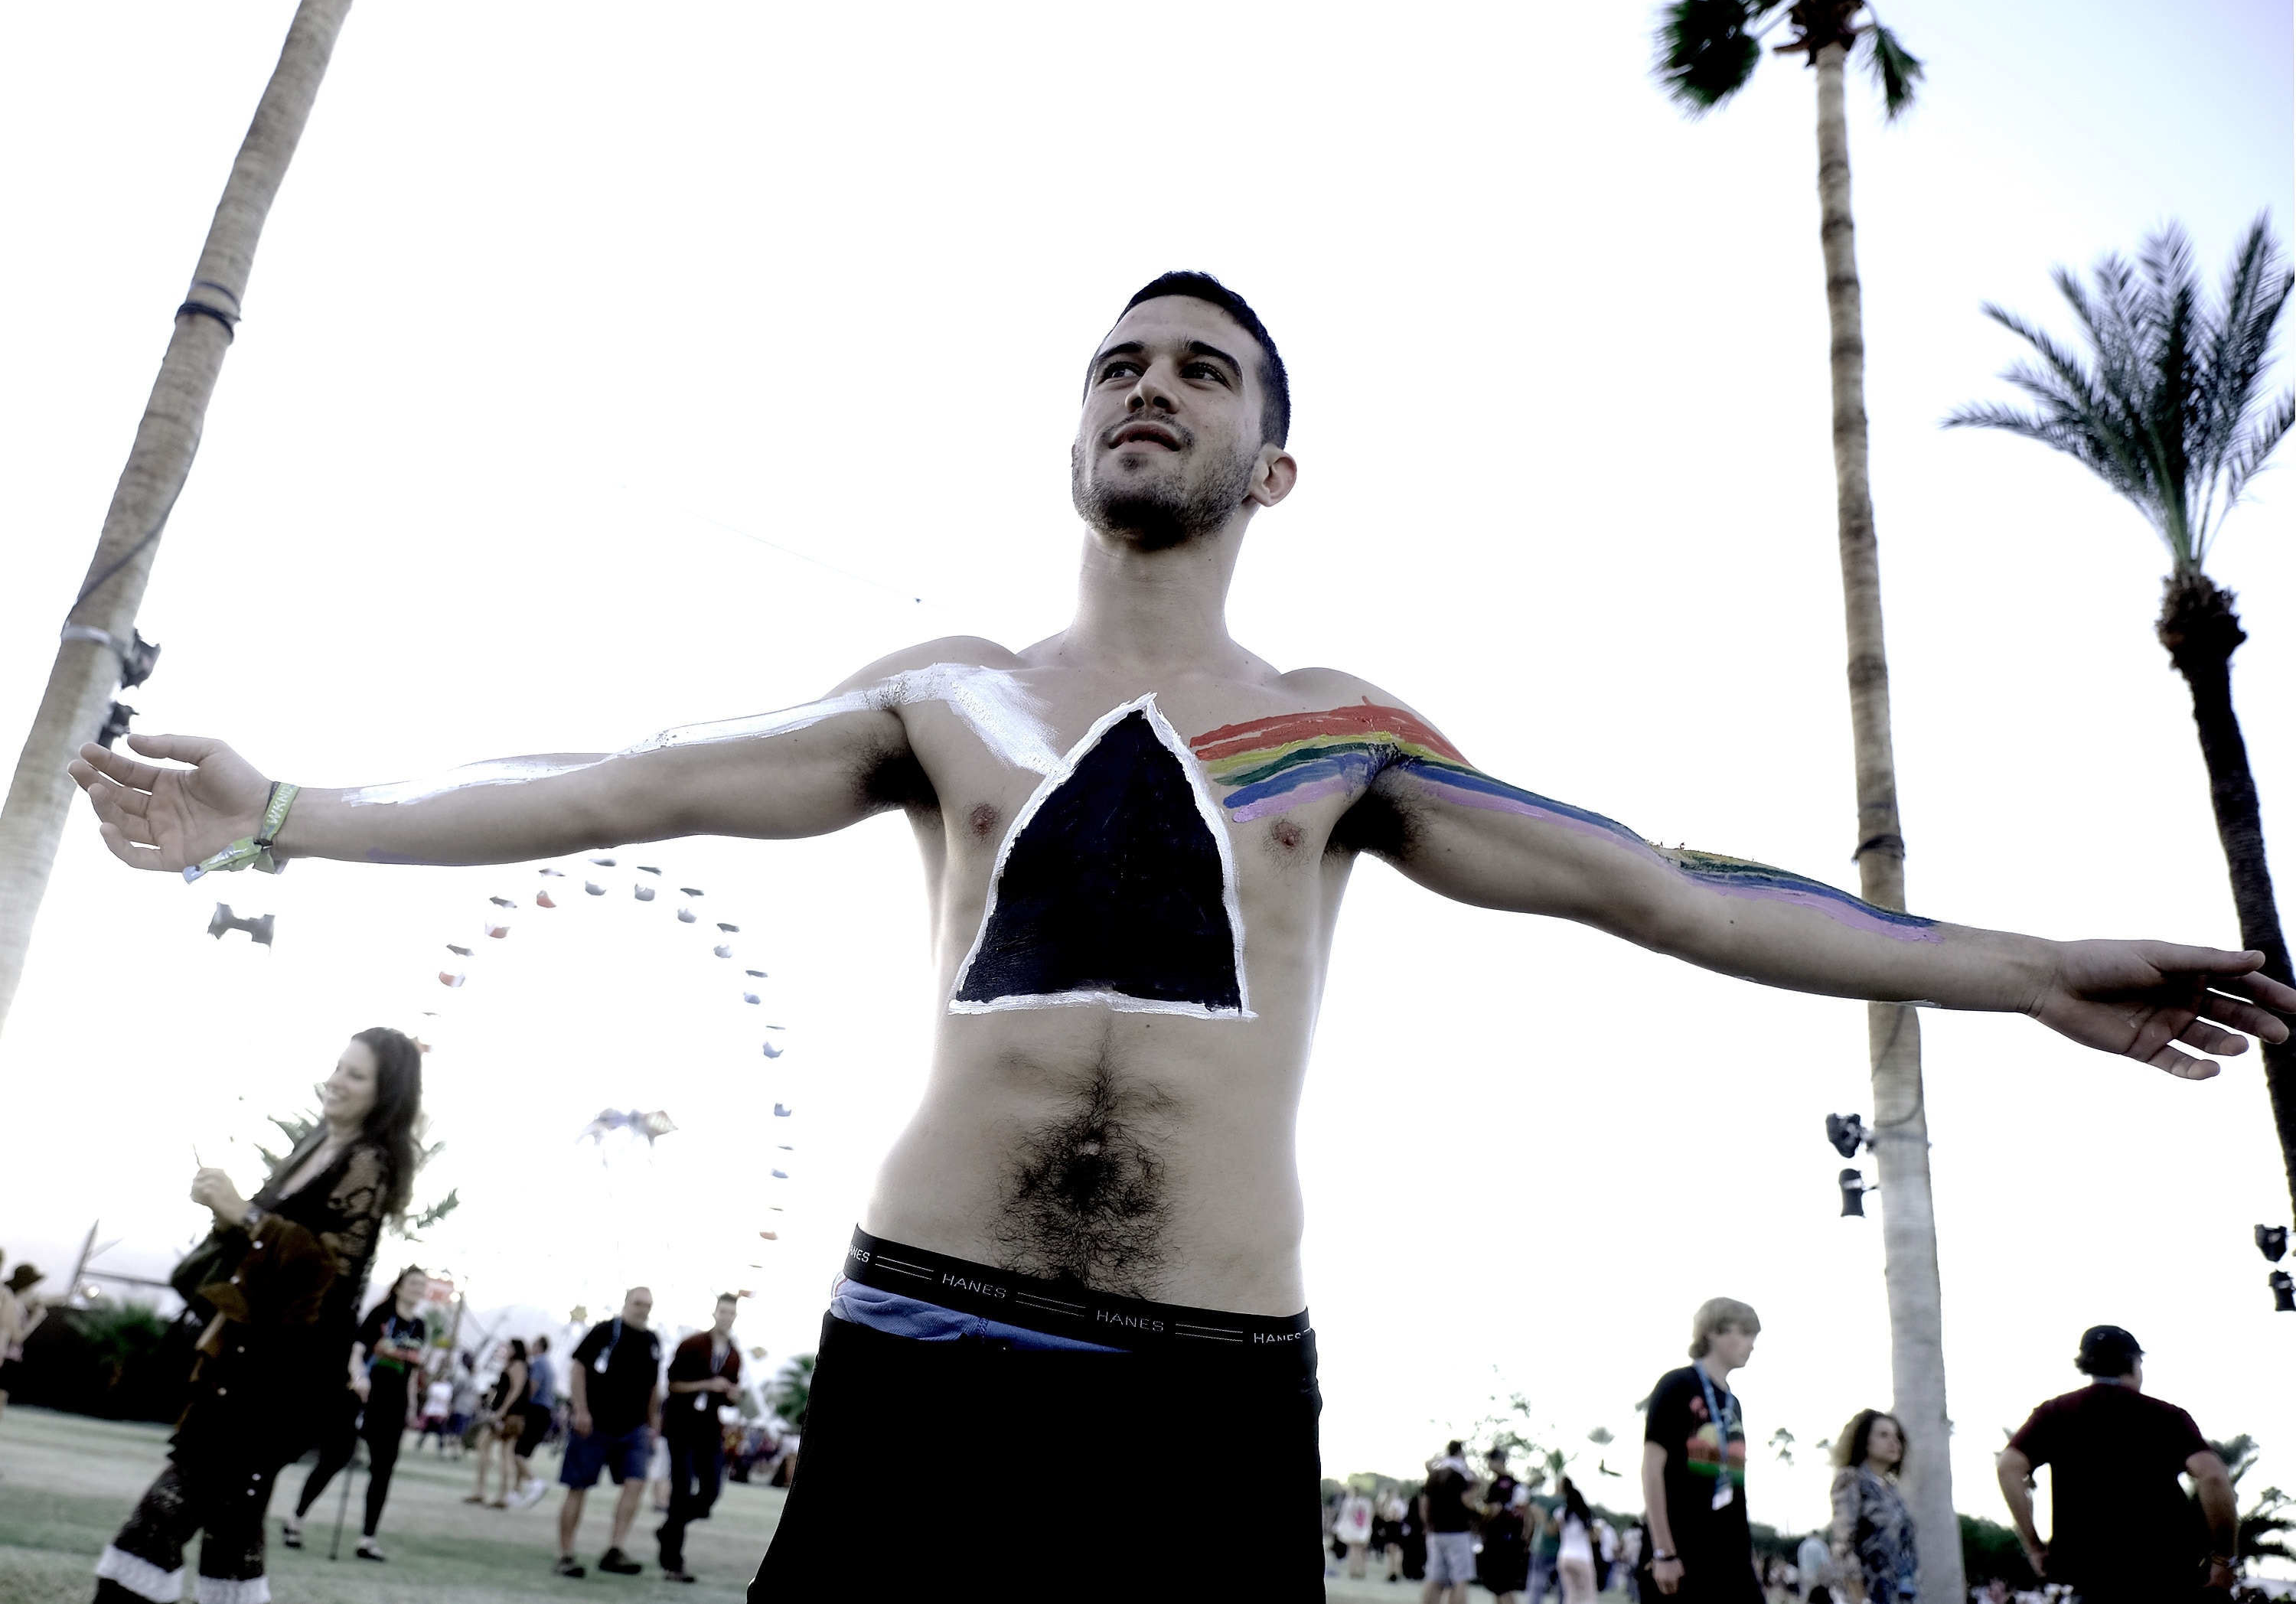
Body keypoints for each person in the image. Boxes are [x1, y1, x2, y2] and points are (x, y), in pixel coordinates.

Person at [69, 274, 2296, 1602]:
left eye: (1204, 371)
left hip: (1210, 1404)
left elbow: (1669, 885)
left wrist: (2017, 966)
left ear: (1273, 467)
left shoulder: (1337, 735)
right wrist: (280, 812)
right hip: (917, 1365)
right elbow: (616, 783)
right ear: (1070, 437)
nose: (1150, 385)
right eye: (1119, 364)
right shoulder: (942, 694)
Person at [92, 1029, 419, 1604]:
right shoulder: (319, 1144)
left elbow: (327, 1274)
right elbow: (264, 1258)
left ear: (385, 1092)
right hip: (241, 1365)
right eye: (339, 1067)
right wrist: (227, 1215)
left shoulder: (370, 1161)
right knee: (231, 1535)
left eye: (357, 1075)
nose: (338, 1080)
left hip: (280, 1381)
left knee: (157, 1526)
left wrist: (243, 1214)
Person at [1996, 1325, 2238, 1602]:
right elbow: (2213, 1477)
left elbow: (2008, 1467)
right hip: (2167, 1577)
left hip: (2091, 1581)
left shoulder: (2055, 1413)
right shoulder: (2167, 1416)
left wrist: (2035, 1547)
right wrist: (2224, 1558)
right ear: (2134, 1363)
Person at [284, 1263, 430, 1560]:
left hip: (394, 1405)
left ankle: (367, 1539)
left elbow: (412, 1372)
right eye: (413, 1283)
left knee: (383, 1471)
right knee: (334, 1460)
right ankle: (295, 1520)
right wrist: (359, 1378)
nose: (418, 1289)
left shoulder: (420, 1327)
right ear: (400, 1287)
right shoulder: (380, 1315)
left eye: (422, 1285)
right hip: (362, 1397)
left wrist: (413, 1406)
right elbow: (357, 1353)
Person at [1642, 1298, 1761, 1602]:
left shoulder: (1733, 1404)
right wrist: (1664, 1552)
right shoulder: (1677, 1385)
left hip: (1732, 1557)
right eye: (1745, 1332)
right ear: (1713, 1332)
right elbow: (1652, 1468)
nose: (1752, 1344)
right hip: (1682, 1552)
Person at [556, 1287, 664, 1578]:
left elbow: (654, 1384)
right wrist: (581, 1409)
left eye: (648, 1305)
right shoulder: (604, 1332)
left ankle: (615, 1549)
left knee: (636, 1483)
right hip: (595, 1424)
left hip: (634, 1428)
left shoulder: (652, 1341)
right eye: (638, 1303)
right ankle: (566, 1554)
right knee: (578, 1487)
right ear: (626, 1303)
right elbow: (578, 1368)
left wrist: (652, 1421)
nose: (643, 1309)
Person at [657, 1294, 745, 1582]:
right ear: (715, 1313)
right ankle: (673, 1561)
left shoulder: (734, 1355)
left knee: (710, 1492)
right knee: (681, 1489)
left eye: (731, 1312)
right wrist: (707, 1383)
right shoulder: (692, 1345)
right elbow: (673, 1384)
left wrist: (732, 1395)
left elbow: (728, 1399)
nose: (726, 1317)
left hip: (708, 1428)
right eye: (723, 1311)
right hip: (681, 1426)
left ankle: (670, 1528)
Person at [1828, 1410, 1915, 1603]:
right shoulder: (1850, 1481)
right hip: (1868, 1593)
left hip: (1901, 1593)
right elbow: (1844, 1546)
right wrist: (1861, 1598)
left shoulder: (1892, 1490)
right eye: (1883, 1435)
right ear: (1864, 1441)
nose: (1894, 1442)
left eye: (1897, 1436)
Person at [468, 1339, 531, 1508]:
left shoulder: (518, 1366)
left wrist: (503, 1409)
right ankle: (489, 1491)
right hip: (505, 1415)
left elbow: (515, 1389)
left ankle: (497, 1493)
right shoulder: (512, 1366)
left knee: (500, 1452)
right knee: (492, 1449)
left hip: (509, 1416)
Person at [1420, 1442, 1479, 1604]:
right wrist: (1476, 1486)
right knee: (1460, 1580)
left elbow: (1424, 1503)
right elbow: (1468, 1501)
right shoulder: (1460, 1475)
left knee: (1435, 1579)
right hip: (1457, 1532)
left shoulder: (1434, 1475)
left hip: (1436, 1532)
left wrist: (1428, 1525)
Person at [509, 1333, 558, 1507]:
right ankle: (515, 1491)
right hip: (545, 1412)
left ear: (538, 1347)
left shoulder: (538, 1364)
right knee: (523, 1453)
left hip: (536, 1411)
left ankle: (535, 1483)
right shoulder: (550, 1366)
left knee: (518, 1452)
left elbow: (532, 1387)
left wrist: (519, 1406)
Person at [0, 1258, 47, 1436]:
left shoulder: (10, 1300)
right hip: (6, 1357)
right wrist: (36, 1319)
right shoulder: (12, 1303)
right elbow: (17, 1337)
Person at [1477, 1449, 1531, 1603]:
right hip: (1514, 1540)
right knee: (1501, 1586)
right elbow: (1527, 1515)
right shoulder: (1518, 1485)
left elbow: (1493, 1511)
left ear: (1497, 1461)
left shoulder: (1498, 1486)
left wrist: (1480, 1513)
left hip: (1499, 1541)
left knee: (1501, 1586)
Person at [1556, 1478, 1602, 1604]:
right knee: (1588, 1595)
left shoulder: (1561, 1513)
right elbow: (1593, 1538)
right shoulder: (1585, 1516)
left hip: (1564, 1556)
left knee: (1570, 1595)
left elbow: (1551, 1530)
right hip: (1582, 1558)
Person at [1336, 1482, 1377, 1580]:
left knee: (1353, 1550)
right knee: (1361, 1551)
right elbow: (1370, 1516)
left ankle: (1353, 1570)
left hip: (1352, 1529)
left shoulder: (1348, 1502)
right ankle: (1361, 1570)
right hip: (1363, 1529)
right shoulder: (1366, 1502)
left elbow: (1344, 1517)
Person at [1794, 1527, 1832, 1601]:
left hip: (1804, 1574)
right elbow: (1823, 1564)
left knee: (1806, 1597)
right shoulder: (1820, 1545)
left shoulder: (1803, 1545)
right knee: (1819, 1598)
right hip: (1817, 1575)